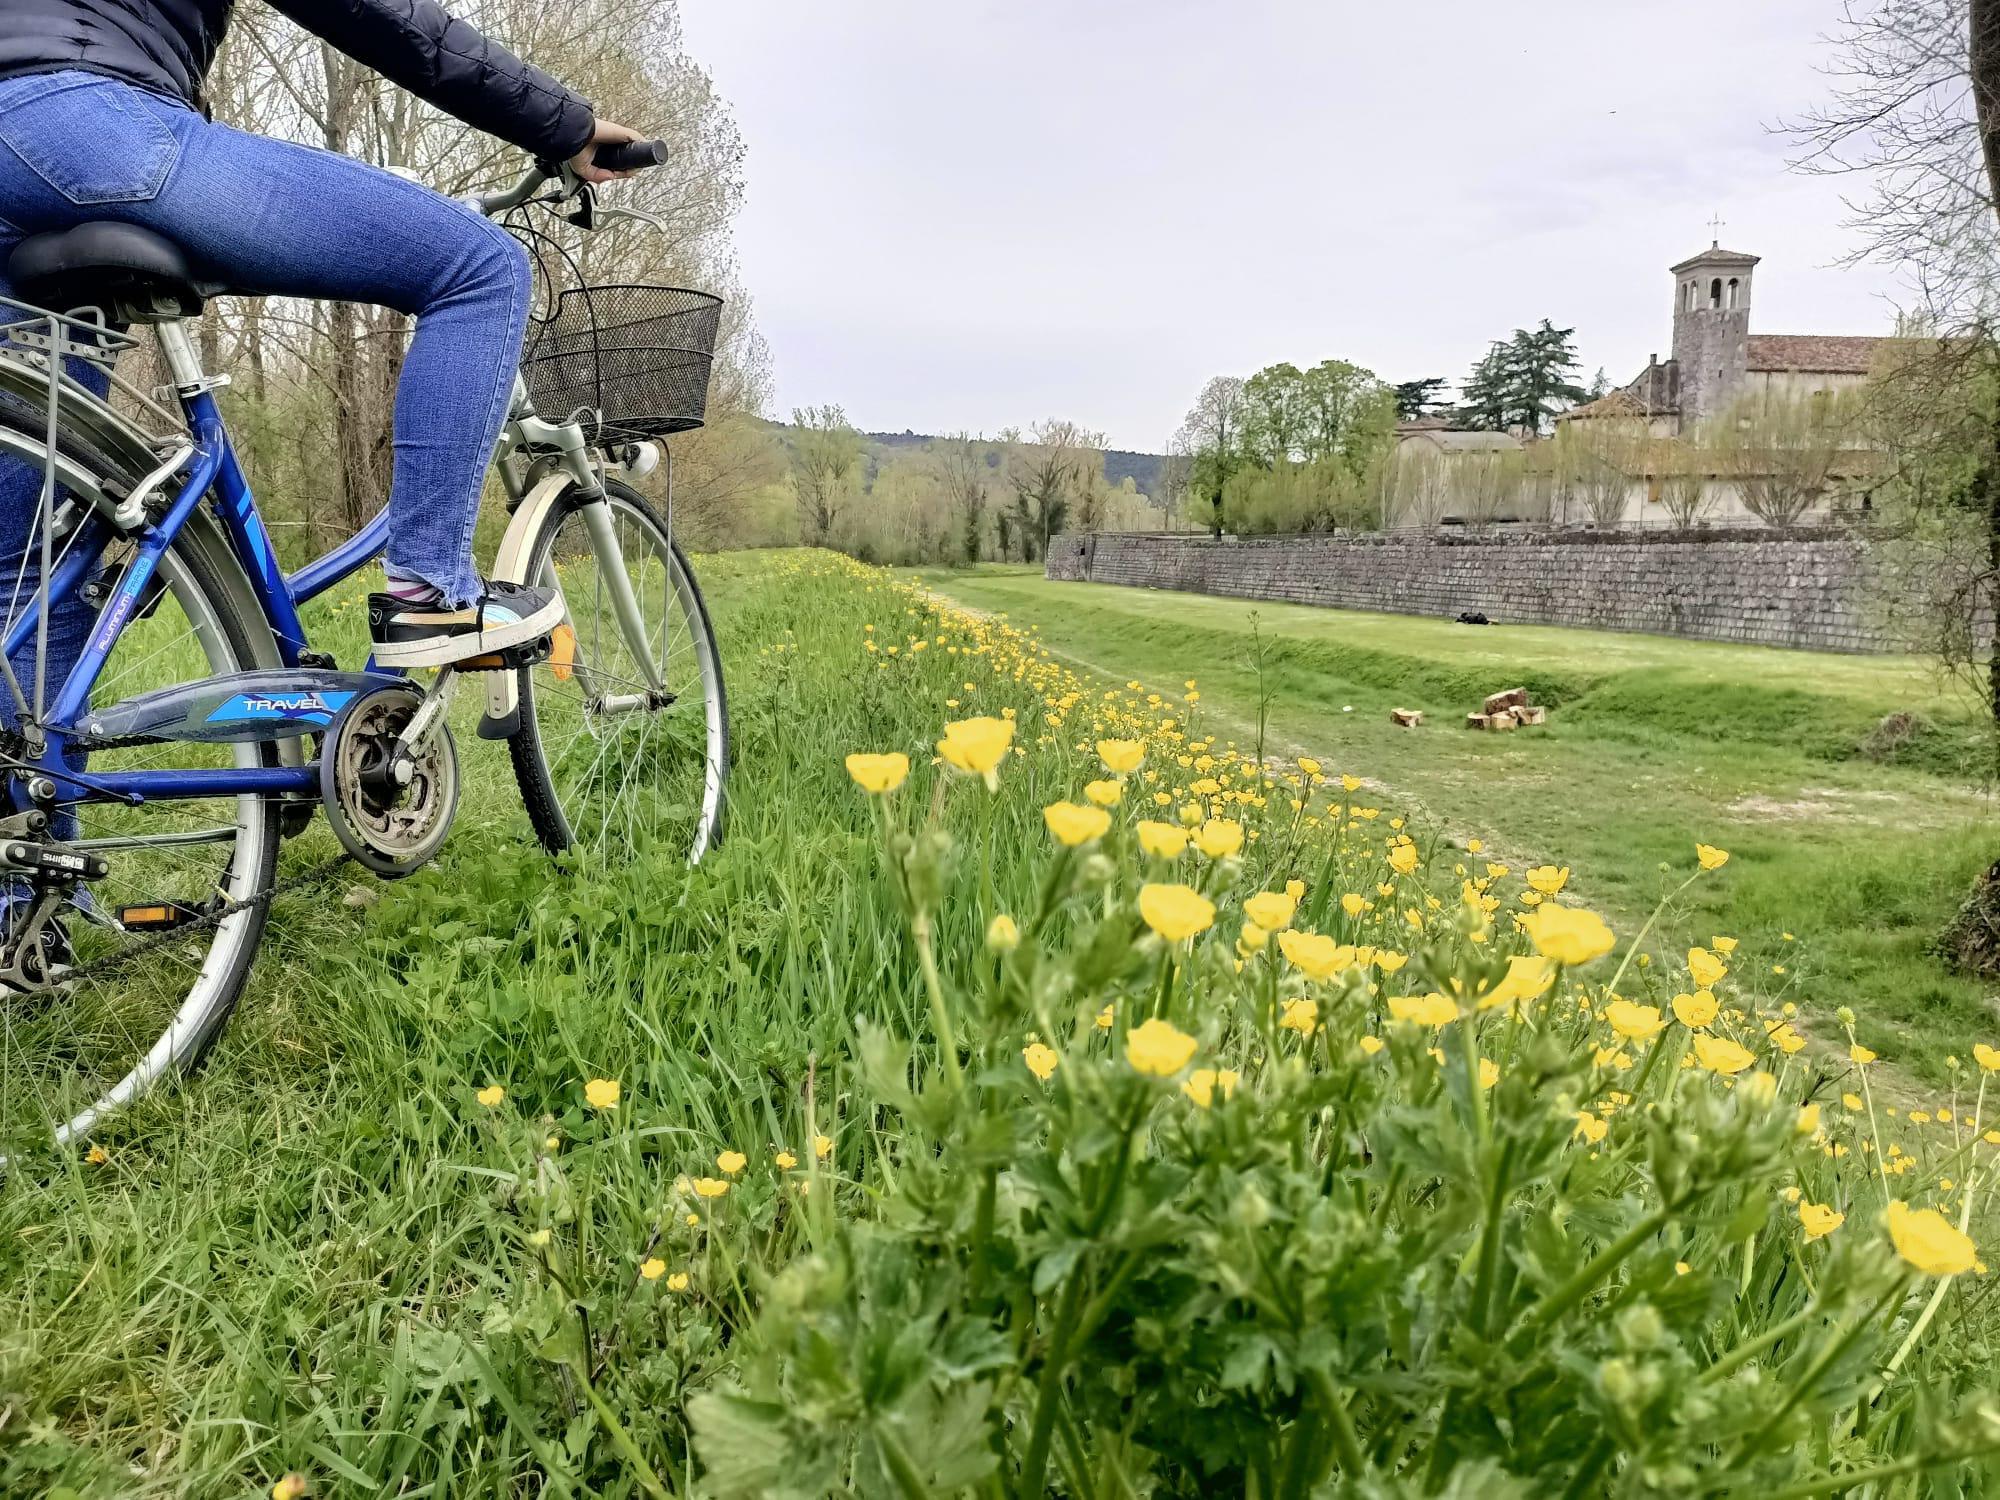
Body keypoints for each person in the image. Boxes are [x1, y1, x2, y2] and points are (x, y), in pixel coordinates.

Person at [0, 0, 645, 674]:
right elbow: (374, 15)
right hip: (89, 126)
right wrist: (564, 123)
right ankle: (433, 590)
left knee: (20, 571)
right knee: (478, 266)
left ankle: (38, 777)